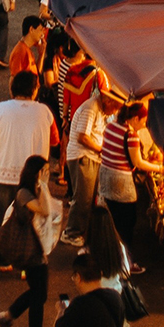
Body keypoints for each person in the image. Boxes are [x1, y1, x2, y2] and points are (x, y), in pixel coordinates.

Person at [0, 69, 60, 252]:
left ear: (13, 88)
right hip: (35, 176)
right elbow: (55, 141)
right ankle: (28, 259)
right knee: (33, 218)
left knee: (3, 216)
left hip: (5, 173)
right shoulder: (45, 112)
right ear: (34, 90)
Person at [0, 153, 57, 327]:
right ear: (35, 172)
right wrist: (45, 185)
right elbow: (45, 210)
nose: (47, 173)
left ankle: (7, 316)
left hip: (35, 247)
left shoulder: (32, 189)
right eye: (44, 170)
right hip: (29, 250)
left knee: (38, 292)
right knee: (39, 294)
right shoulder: (24, 193)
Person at [96, 99, 152, 256]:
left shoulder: (111, 125)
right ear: (135, 119)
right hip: (120, 181)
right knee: (127, 222)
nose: (144, 125)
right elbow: (138, 163)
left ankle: (109, 255)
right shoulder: (131, 134)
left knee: (111, 220)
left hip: (105, 174)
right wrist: (160, 168)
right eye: (144, 121)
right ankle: (125, 260)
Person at [64, 75, 108, 245]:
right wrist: (101, 149)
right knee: (83, 198)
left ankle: (80, 231)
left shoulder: (99, 109)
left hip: (89, 157)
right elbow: (83, 137)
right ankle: (72, 232)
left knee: (88, 198)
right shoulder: (91, 108)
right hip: (83, 157)